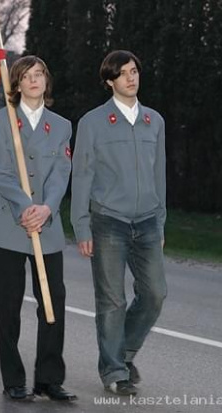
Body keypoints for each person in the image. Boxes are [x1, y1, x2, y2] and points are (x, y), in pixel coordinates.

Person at [70, 50, 167, 396]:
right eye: (124, 73)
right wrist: (81, 226)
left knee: (155, 293)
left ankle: (123, 353)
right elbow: (81, 176)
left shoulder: (154, 121)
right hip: (108, 221)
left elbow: (160, 176)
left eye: (135, 71)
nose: (132, 77)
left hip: (147, 221)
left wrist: (161, 221)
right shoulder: (92, 123)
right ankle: (114, 371)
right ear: (110, 81)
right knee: (112, 301)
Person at [0, 56, 76, 402]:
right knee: (8, 306)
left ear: (46, 81)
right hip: (10, 224)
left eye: (40, 74)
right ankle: (13, 379)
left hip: (47, 225)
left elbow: (61, 172)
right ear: (17, 84)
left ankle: (49, 378)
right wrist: (27, 209)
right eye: (27, 75)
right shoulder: (0, 122)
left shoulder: (62, 125)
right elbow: (1, 173)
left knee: (53, 301)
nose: (34, 80)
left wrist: (47, 208)